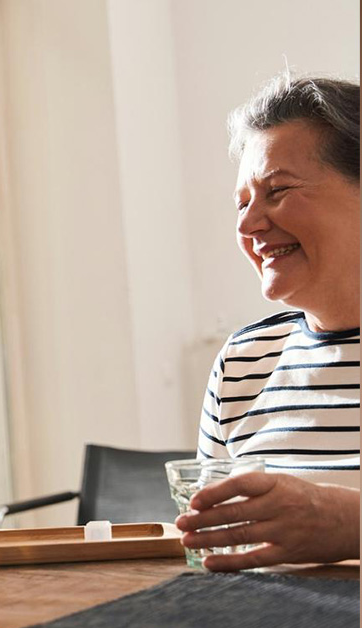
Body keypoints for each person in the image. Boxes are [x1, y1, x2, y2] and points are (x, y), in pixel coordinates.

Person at [176, 74, 360, 571]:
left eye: (277, 191)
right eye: (242, 203)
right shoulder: (243, 361)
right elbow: (214, 546)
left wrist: (349, 524)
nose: (247, 224)